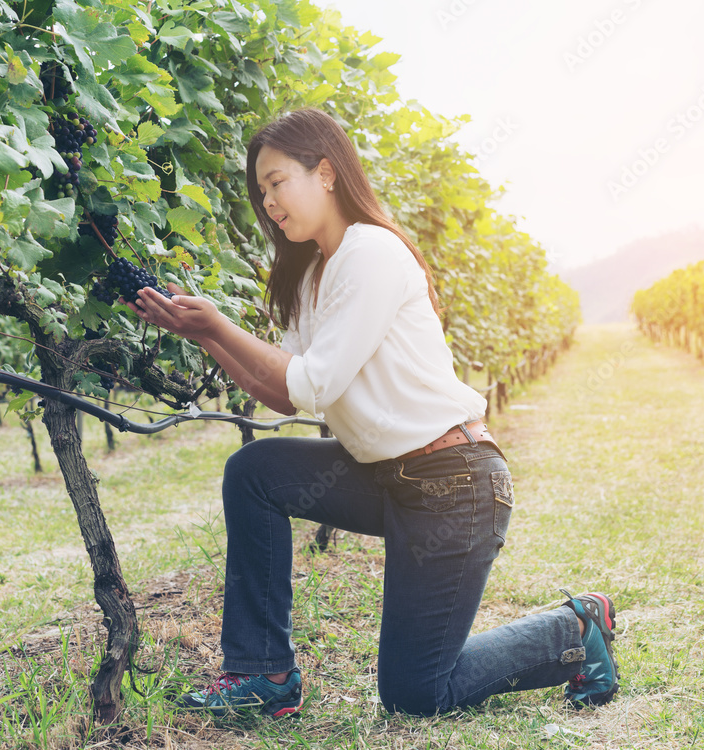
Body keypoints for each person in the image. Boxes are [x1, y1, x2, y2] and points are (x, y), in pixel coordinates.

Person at [128, 107, 620, 718]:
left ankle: (574, 629)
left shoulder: (372, 254)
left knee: (416, 693)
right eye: (261, 192)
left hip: (456, 483)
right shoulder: (312, 274)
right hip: (388, 477)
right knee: (256, 471)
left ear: (327, 173)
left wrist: (219, 324)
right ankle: (266, 675)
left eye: (278, 182)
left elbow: (313, 382)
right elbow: (285, 395)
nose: (269, 203)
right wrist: (203, 335)